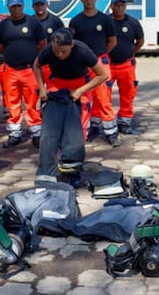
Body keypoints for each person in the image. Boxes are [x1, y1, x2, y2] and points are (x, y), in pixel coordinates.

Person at [34, 28, 108, 186]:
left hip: (79, 85)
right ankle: (46, 173)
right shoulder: (48, 50)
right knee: (49, 134)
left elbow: (103, 75)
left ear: (71, 45)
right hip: (57, 86)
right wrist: (42, 88)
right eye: (56, 51)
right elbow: (37, 65)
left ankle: (72, 170)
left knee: (76, 135)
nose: (59, 55)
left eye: (63, 51)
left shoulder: (83, 51)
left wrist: (80, 91)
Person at [69, 0, 119, 146]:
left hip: (100, 62)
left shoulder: (105, 20)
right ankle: (86, 131)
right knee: (84, 99)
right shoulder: (75, 21)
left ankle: (111, 133)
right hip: (82, 65)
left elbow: (112, 41)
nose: (89, 0)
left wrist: (100, 54)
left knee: (104, 97)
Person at [0, 0, 46, 147]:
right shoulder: (3, 26)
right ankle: (14, 133)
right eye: (13, 7)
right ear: (8, 7)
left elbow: (42, 44)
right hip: (10, 70)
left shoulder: (33, 23)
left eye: (18, 6)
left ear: (23, 6)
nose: (16, 9)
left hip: (29, 70)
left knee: (32, 101)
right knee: (12, 102)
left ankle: (36, 131)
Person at [108, 0, 144, 135]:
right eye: (116, 5)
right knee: (103, 95)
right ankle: (106, 122)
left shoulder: (133, 22)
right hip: (108, 66)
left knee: (128, 93)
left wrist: (131, 53)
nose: (119, 7)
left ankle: (124, 122)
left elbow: (140, 41)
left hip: (126, 65)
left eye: (122, 5)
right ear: (111, 6)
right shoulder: (106, 21)